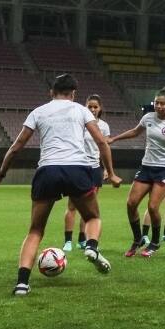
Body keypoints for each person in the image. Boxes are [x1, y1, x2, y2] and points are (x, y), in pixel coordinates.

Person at [0, 73, 123, 295]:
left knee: (35, 230)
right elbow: (101, 142)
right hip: (77, 169)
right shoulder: (81, 110)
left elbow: (16, 146)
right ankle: (91, 247)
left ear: (51, 92)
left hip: (47, 170)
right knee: (92, 217)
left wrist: (0, 175)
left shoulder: (39, 112)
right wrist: (111, 172)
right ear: (74, 94)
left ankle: (22, 283)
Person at [109, 87, 165, 258]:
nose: (158, 106)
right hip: (146, 167)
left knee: (152, 207)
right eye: (156, 102)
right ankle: (138, 239)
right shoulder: (148, 117)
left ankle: (155, 242)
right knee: (130, 204)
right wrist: (114, 138)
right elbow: (135, 131)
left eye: (162, 103)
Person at [64, 95, 110, 252]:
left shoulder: (104, 126)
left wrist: (105, 169)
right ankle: (68, 241)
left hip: (95, 168)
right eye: (89, 106)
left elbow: (104, 148)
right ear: (85, 107)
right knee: (72, 206)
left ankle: (82, 240)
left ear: (100, 108)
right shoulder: (78, 123)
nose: (92, 109)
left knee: (89, 208)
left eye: (95, 107)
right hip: (77, 167)